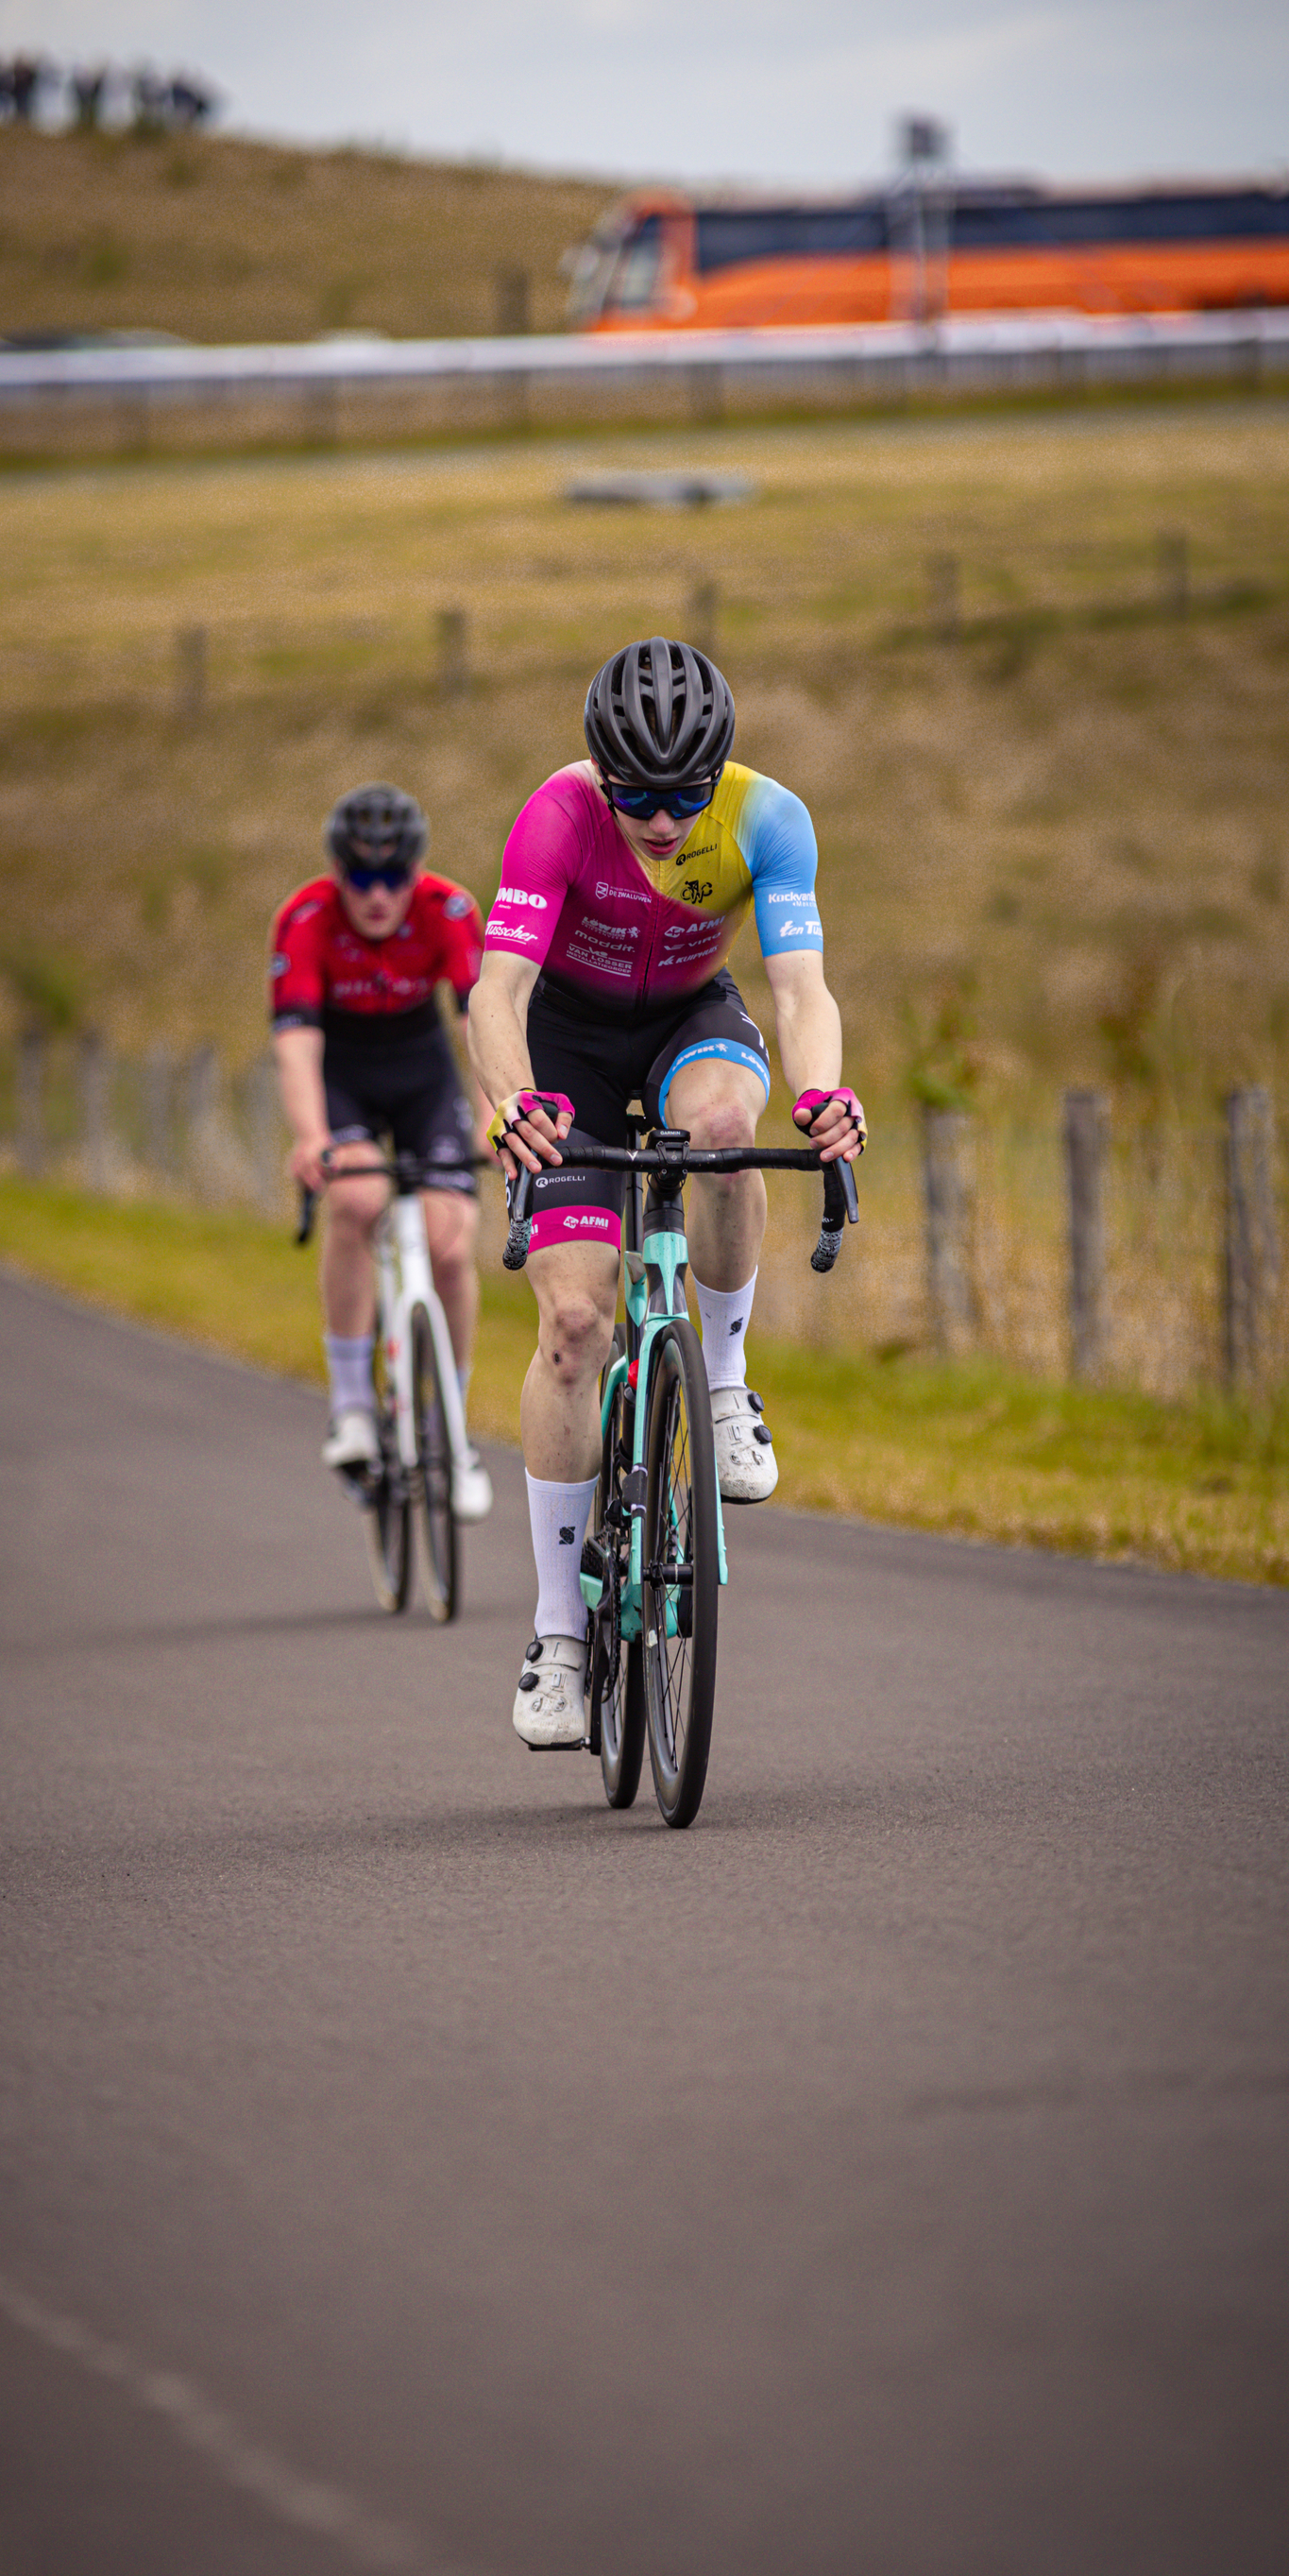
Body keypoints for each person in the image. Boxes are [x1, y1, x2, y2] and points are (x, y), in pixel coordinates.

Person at [468, 637, 866, 1749]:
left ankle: (727, 1385)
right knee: (574, 1322)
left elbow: (800, 990)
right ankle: (555, 1636)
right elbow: (492, 993)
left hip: (692, 1022)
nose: (659, 818)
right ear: (600, 772)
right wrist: (511, 1102)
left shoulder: (767, 819)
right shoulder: (555, 815)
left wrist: (826, 1093)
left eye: (683, 795)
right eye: (635, 794)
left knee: (729, 1132)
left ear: (719, 774)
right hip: (568, 1052)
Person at [269, 784, 494, 1521]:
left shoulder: (451, 910)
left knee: (451, 1244)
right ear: (336, 872)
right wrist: (312, 1138)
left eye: (393, 878)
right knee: (358, 1198)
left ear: (417, 870)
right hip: (346, 1074)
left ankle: (451, 1431)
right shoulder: (304, 919)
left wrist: (495, 1113)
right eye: (359, 879)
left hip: (422, 1069)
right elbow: (297, 1044)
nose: (376, 895)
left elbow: (478, 1021)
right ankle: (353, 1406)